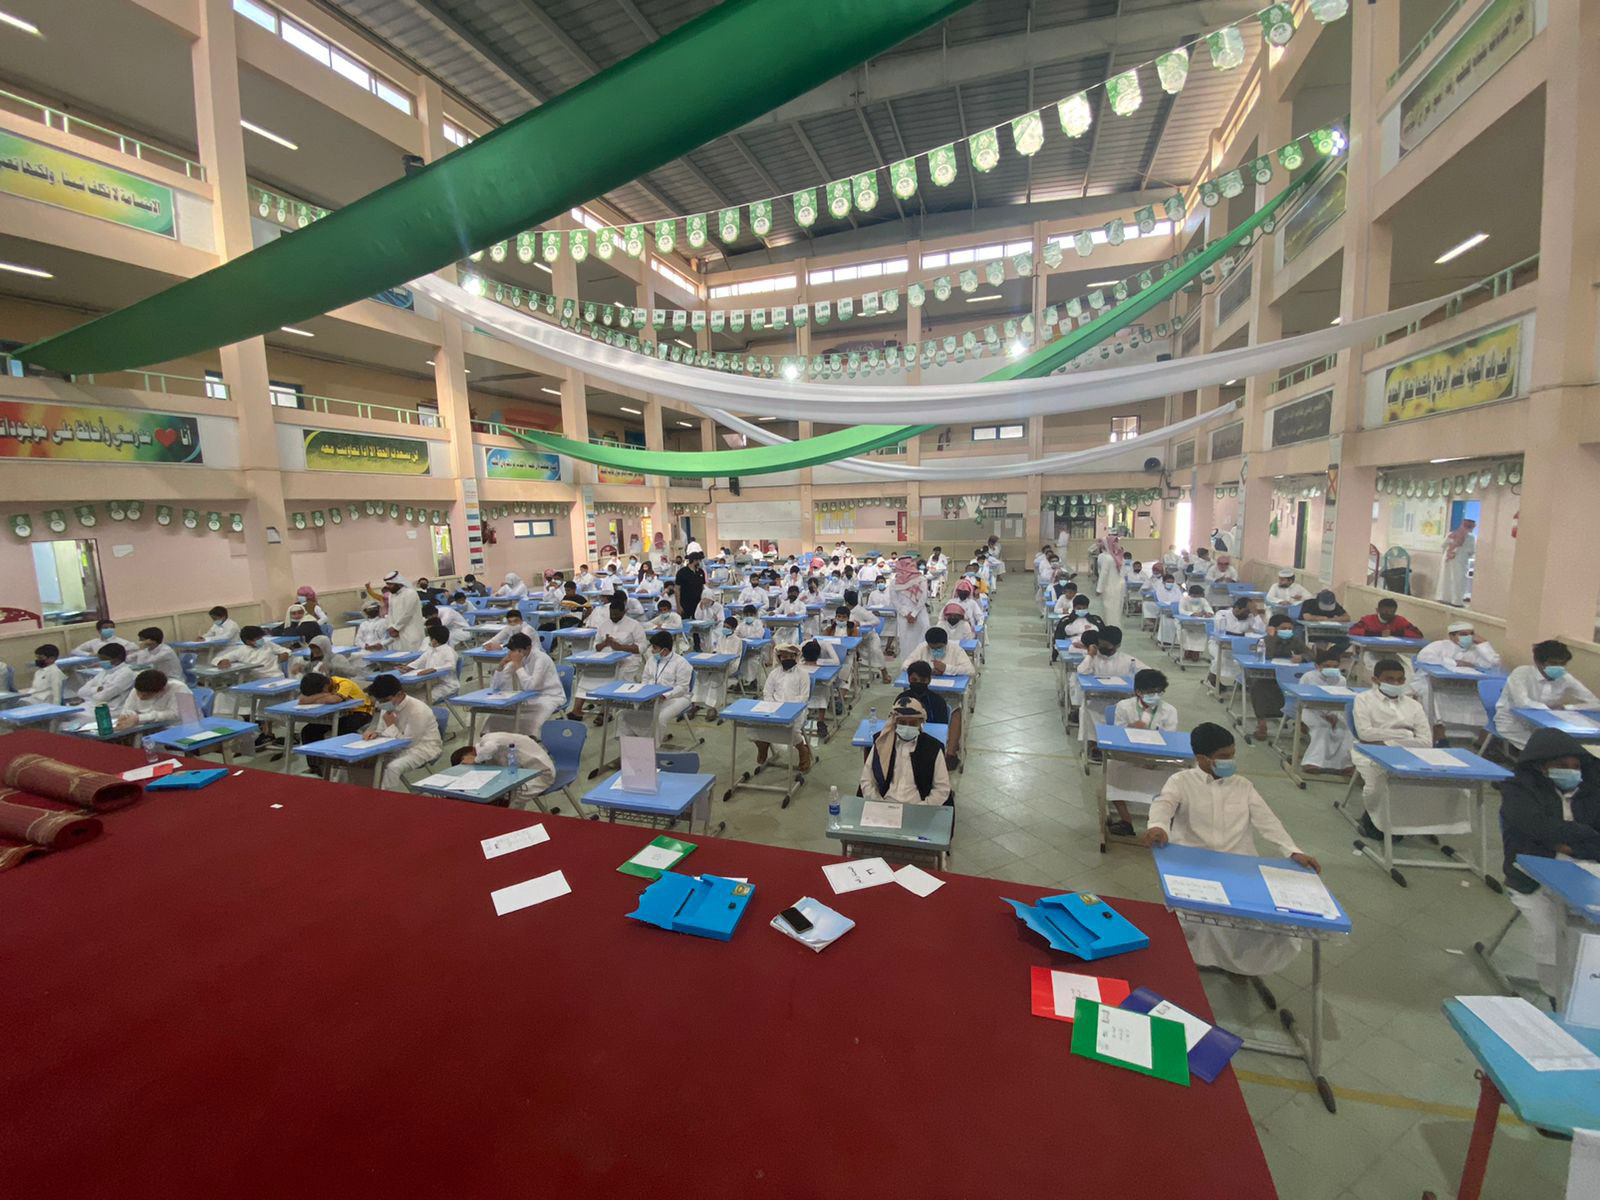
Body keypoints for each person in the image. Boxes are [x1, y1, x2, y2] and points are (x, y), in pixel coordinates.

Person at [1144, 722, 1320, 976]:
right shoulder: (1181, 781)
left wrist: (1292, 850)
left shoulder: (1243, 786)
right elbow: (1163, 805)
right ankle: (1195, 958)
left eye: (1232, 755)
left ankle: (1238, 962)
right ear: (1201, 758)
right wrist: (1159, 827)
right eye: (1223, 756)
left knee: (1260, 918)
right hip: (1194, 863)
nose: (1230, 761)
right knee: (1194, 918)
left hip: (1238, 863)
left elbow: (1267, 821)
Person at [1498, 728, 1600, 992]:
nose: (1571, 772)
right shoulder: (1518, 790)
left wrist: (1569, 845)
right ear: (1542, 766)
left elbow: (1550, 833)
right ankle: (1556, 995)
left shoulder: (1591, 793)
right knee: (1550, 935)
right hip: (1532, 880)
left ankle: (1586, 991)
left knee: (1589, 936)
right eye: (1562, 766)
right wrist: (1586, 835)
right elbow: (1535, 828)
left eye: (1575, 767)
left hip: (1585, 877)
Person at [1352, 657, 1468, 842]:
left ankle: (1418, 823)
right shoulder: (1363, 700)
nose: (1396, 684)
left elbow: (1426, 742)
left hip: (1409, 752)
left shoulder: (1413, 705)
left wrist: (1389, 741)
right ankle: (1376, 822)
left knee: (1443, 783)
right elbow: (1365, 734)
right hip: (1371, 751)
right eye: (1390, 679)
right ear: (1376, 680)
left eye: (1400, 680)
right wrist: (1405, 735)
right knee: (1380, 782)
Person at [1105, 667, 1179, 835]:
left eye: (1159, 692)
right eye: (1151, 692)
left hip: (1157, 757)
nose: (1156, 696)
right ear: (1138, 691)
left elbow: (1170, 739)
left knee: (1175, 777)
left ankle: (1158, 823)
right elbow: (1116, 736)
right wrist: (1130, 728)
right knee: (1111, 769)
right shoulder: (1124, 706)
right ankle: (1126, 821)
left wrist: (1152, 759)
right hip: (1127, 755)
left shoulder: (1169, 711)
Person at [1495, 639, 1600, 750]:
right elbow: (1522, 703)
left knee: (1573, 747)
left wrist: (1567, 707)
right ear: (1538, 662)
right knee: (1547, 750)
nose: (1559, 668)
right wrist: (1549, 708)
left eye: (1562, 664)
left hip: (1545, 726)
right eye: (1553, 663)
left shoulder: (1565, 678)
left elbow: (1596, 704)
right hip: (1514, 723)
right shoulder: (1521, 673)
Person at [1413, 620, 1503, 738]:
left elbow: (1494, 664)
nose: (1468, 637)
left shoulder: (1475, 650)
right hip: (1432, 683)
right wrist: (1454, 662)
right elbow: (1423, 657)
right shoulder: (1439, 645)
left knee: (1484, 699)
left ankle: (1479, 737)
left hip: (1462, 684)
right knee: (1430, 695)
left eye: (1471, 634)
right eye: (1463, 634)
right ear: (1452, 636)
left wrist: (1484, 644)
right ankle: (1437, 733)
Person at [858, 696, 951, 805]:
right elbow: (867, 780)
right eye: (902, 722)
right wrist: (879, 804)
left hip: (919, 807)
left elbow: (941, 788)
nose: (907, 727)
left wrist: (922, 807)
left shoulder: (932, 748)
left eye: (912, 723)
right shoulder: (881, 744)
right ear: (895, 722)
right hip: (884, 804)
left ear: (920, 723)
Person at [360, 674, 443, 790]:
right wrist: (376, 733)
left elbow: (409, 743)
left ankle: (388, 798)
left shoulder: (418, 710)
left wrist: (391, 726)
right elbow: (382, 730)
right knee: (363, 762)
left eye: (385, 700)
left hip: (422, 748)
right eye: (379, 701)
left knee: (393, 767)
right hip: (395, 746)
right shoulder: (387, 706)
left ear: (400, 694)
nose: (382, 704)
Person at [572, 595, 646, 721]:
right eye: (611, 614)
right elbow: (596, 646)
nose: (613, 616)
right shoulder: (604, 625)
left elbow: (641, 647)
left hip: (628, 659)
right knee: (587, 674)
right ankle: (576, 710)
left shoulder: (634, 625)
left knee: (618, 675)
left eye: (616, 614)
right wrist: (605, 643)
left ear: (624, 612)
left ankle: (606, 711)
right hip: (605, 659)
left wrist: (620, 647)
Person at [485, 632, 565, 738]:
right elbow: (496, 687)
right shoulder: (517, 658)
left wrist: (518, 665)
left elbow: (532, 687)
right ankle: (493, 736)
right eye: (511, 650)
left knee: (534, 720)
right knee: (498, 715)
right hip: (527, 697)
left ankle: (529, 740)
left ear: (528, 648)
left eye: (517, 650)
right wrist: (500, 667)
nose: (513, 653)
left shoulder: (541, 659)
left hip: (549, 696)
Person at [624, 630, 693, 742]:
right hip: (652, 696)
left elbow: (682, 687)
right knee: (626, 714)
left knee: (660, 717)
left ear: (664, 650)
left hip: (677, 698)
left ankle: (653, 747)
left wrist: (665, 696)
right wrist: (643, 692)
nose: (652, 650)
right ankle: (636, 743)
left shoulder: (681, 663)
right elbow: (645, 679)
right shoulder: (651, 660)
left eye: (655, 648)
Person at [1248, 615, 1310, 740]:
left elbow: (1310, 653)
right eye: (1283, 628)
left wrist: (1302, 657)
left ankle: (1302, 722)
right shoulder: (1264, 640)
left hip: (1289, 675)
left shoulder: (1294, 640)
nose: (1287, 631)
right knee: (1258, 685)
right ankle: (1261, 723)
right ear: (1274, 628)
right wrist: (1272, 637)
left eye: (1290, 628)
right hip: (1268, 675)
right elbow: (1266, 655)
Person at [753, 642, 812, 773]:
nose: (787, 659)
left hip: (796, 710)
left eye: (790, 656)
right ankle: (763, 745)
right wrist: (773, 706)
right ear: (780, 658)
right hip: (773, 709)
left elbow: (804, 697)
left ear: (795, 657)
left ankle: (803, 750)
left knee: (791, 729)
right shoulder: (774, 673)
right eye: (784, 657)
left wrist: (787, 707)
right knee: (755, 727)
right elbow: (767, 692)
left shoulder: (803, 674)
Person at [452, 734, 556, 806]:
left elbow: (491, 748)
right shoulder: (488, 754)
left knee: (505, 797)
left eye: (467, 761)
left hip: (541, 774)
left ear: (471, 751)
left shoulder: (487, 740)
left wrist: (475, 760)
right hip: (524, 771)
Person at [1300, 648, 1355, 776]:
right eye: (1327, 666)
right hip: (1311, 711)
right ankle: (1312, 762)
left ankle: (1345, 764)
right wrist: (1324, 715)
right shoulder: (1308, 677)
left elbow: (1341, 700)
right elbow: (1303, 699)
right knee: (1323, 728)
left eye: (1335, 666)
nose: (1332, 669)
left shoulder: (1341, 680)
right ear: (1317, 666)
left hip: (1334, 712)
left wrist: (1332, 714)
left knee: (1346, 730)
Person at [293, 671, 372, 755]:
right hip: (338, 715)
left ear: (325, 687)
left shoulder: (343, 683)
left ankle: (345, 758)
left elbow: (334, 700)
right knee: (308, 731)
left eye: (318, 692)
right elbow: (302, 700)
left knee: (342, 729)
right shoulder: (322, 687)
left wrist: (314, 699)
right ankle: (317, 761)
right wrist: (324, 695)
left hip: (361, 712)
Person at [691, 615, 744, 715]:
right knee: (701, 673)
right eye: (724, 626)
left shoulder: (737, 640)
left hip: (730, 665)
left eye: (728, 627)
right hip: (717, 663)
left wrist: (720, 660)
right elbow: (716, 650)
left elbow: (732, 656)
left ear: (733, 629)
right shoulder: (721, 637)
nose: (725, 629)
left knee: (716, 677)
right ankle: (696, 702)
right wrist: (714, 655)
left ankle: (713, 707)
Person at [115, 669, 196, 730]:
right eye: (138, 692)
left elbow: (175, 714)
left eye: (146, 695)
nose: (140, 697)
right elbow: (128, 708)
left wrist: (139, 718)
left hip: (179, 727)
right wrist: (127, 715)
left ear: (161, 690)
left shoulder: (180, 688)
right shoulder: (140, 687)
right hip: (149, 727)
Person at [405, 623, 460, 702]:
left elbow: (451, 665)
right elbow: (420, 661)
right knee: (411, 698)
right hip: (430, 684)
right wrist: (408, 667)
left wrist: (433, 669)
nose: (429, 641)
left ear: (434, 640)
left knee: (422, 700)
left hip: (446, 685)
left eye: (430, 638)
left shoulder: (448, 651)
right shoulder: (431, 650)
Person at [890, 554, 930, 660]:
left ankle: (922, 665)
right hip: (904, 616)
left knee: (922, 640)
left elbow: (923, 598)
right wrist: (906, 614)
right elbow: (894, 600)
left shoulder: (921, 579)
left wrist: (913, 614)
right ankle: (907, 666)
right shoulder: (894, 582)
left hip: (919, 614)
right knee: (905, 642)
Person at [78, 644, 137, 715]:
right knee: (71, 713)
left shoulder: (126, 673)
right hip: (93, 705)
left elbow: (101, 697)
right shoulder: (104, 672)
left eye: (104, 659)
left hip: (112, 709)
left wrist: (90, 693)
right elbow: (81, 692)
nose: (101, 662)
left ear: (117, 659)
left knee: (74, 717)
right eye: (100, 659)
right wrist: (97, 689)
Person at [1435, 517, 1476, 606]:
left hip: (1447, 559)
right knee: (1458, 580)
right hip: (1460, 561)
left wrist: (1450, 551)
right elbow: (1471, 551)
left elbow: (1443, 545)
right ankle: (1456, 601)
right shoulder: (1470, 537)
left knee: (1446, 578)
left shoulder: (1451, 534)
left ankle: (1443, 597)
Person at [380, 573, 425, 651]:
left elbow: (408, 613)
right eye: (387, 584)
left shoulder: (410, 593)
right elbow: (390, 612)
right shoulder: (391, 596)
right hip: (397, 634)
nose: (388, 586)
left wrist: (396, 628)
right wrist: (390, 626)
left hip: (411, 631)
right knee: (399, 655)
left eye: (390, 584)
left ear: (398, 583)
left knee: (413, 655)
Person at [1094, 536, 1126, 623]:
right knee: (1116, 610)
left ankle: (1110, 627)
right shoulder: (1118, 557)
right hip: (1119, 587)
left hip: (1109, 588)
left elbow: (1103, 574)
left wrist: (1099, 589)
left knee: (1109, 610)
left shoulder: (1107, 558)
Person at [1178, 584, 1214, 662]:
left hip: (1200, 624)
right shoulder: (1184, 599)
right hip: (1186, 624)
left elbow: (1209, 609)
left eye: (1198, 596)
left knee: (1202, 632)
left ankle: (1197, 651)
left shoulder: (1203, 600)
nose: (1196, 598)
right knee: (1186, 632)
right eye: (1194, 596)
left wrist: (1209, 613)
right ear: (1189, 594)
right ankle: (1188, 650)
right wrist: (1193, 614)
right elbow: (1181, 611)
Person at [675, 550, 706, 621]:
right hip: (685, 603)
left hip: (698, 603)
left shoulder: (701, 572)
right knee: (685, 621)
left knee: (698, 621)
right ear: (694, 560)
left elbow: (702, 587)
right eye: (699, 560)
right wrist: (678, 606)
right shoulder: (682, 572)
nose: (700, 562)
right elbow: (677, 589)